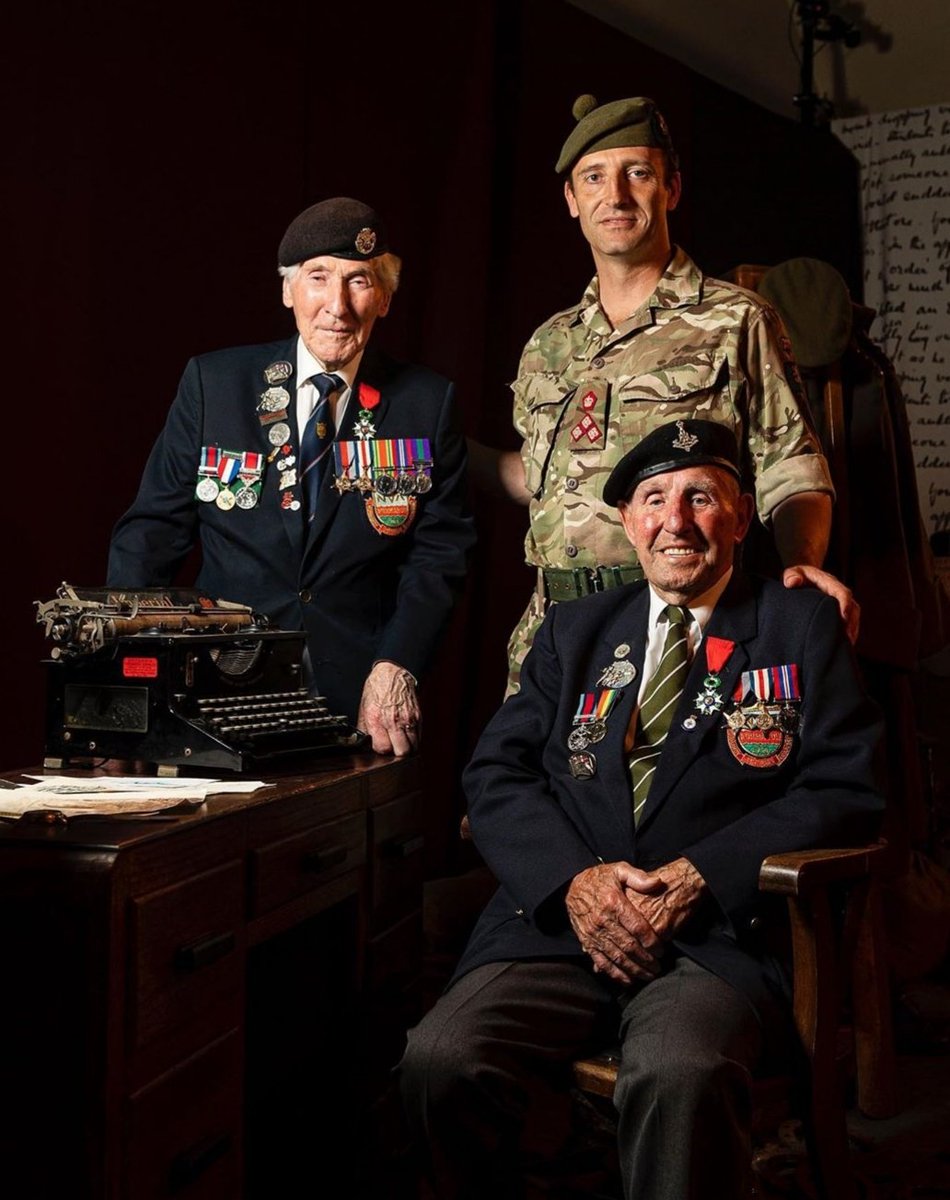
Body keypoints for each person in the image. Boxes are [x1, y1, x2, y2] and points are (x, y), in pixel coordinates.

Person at [399, 418, 883, 1200]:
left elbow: (845, 789)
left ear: (742, 515)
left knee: (679, 1074)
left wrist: (700, 875)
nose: (675, 521)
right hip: (563, 929)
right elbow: (496, 772)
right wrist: (575, 883)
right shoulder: (575, 630)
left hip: (714, 940)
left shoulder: (797, 626)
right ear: (628, 521)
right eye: (654, 499)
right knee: (440, 1059)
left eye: (701, 497)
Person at [468, 93, 858, 692]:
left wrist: (801, 566)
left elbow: (792, 469)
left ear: (671, 189)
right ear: (572, 200)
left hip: (679, 628)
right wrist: (435, 442)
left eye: (637, 173)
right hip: (552, 635)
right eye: (594, 178)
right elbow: (544, 478)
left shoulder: (736, 321)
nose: (615, 196)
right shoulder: (549, 343)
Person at [107, 197, 475, 755]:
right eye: (318, 278)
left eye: (358, 281)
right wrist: (123, 671)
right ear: (288, 290)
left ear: (385, 298)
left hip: (363, 700)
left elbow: (439, 556)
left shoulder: (426, 403)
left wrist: (397, 664)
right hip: (221, 689)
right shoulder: (215, 385)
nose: (337, 306)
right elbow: (151, 534)